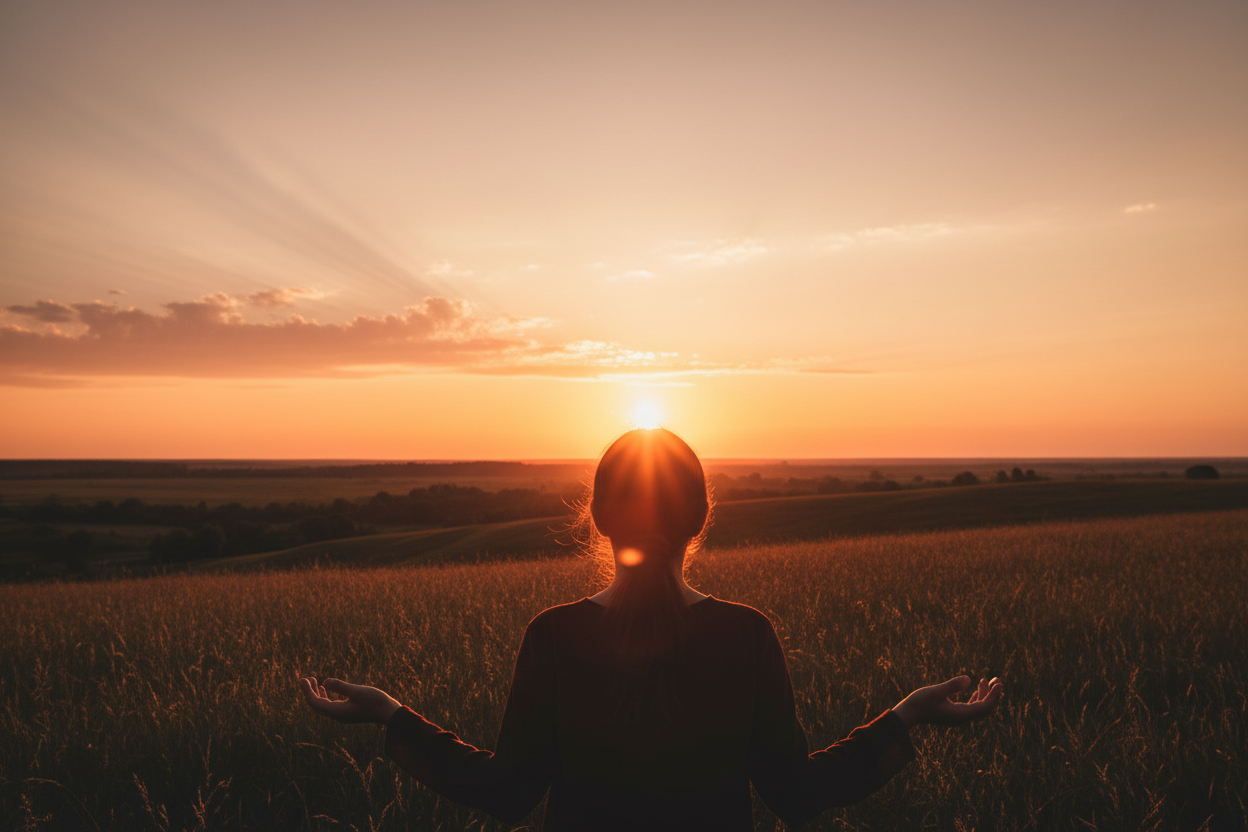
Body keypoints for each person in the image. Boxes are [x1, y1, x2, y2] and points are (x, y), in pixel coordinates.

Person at [298, 428, 1004, 831]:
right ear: (700, 518)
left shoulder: (555, 636)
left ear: (600, 517)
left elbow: (506, 794)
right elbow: (797, 794)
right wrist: (908, 715)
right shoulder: (746, 635)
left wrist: (388, 715)